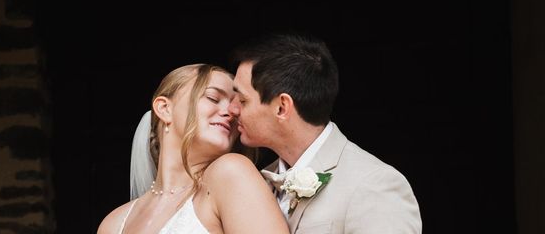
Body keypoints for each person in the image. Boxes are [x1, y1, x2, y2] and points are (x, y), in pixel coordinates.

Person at [228, 32, 422, 233]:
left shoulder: (374, 184)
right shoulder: (255, 183)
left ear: (282, 107)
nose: (232, 109)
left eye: (243, 100)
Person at [97, 63, 290, 234]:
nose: (231, 113)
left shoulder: (231, 173)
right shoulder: (113, 224)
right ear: (164, 108)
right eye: (213, 98)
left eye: (237, 106)